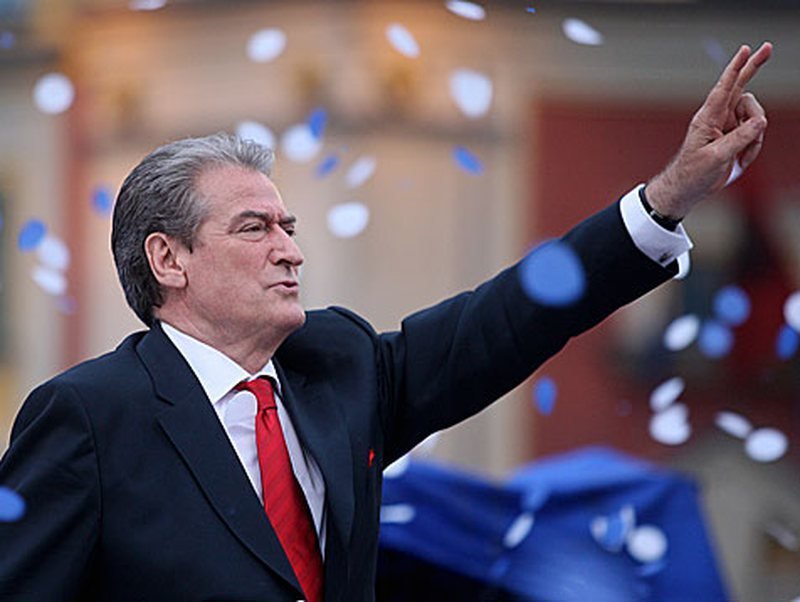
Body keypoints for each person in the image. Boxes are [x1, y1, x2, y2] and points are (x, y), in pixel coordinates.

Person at [0, 43, 772, 601]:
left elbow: (505, 319)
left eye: (288, 226)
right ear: (169, 259)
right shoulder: (89, 416)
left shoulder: (338, 366)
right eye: (254, 229)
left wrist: (667, 198)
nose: (290, 250)